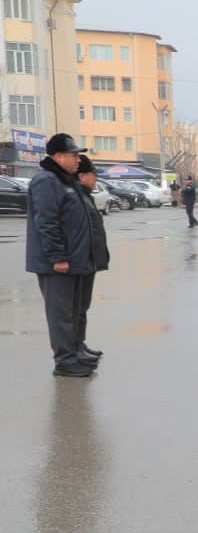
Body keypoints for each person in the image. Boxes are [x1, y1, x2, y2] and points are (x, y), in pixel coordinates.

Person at [26, 134, 102, 377]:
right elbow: (47, 223)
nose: (77, 160)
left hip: (76, 260)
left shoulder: (65, 181)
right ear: (57, 156)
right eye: (73, 155)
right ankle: (65, 361)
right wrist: (58, 257)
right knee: (61, 315)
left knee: (74, 310)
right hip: (57, 264)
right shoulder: (46, 181)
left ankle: (76, 351)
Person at [76, 155, 110, 363]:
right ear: (82, 176)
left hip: (89, 260)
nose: (95, 179)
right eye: (93, 175)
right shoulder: (76, 196)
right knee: (76, 308)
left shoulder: (84, 195)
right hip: (80, 260)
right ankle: (74, 349)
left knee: (83, 306)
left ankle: (80, 344)